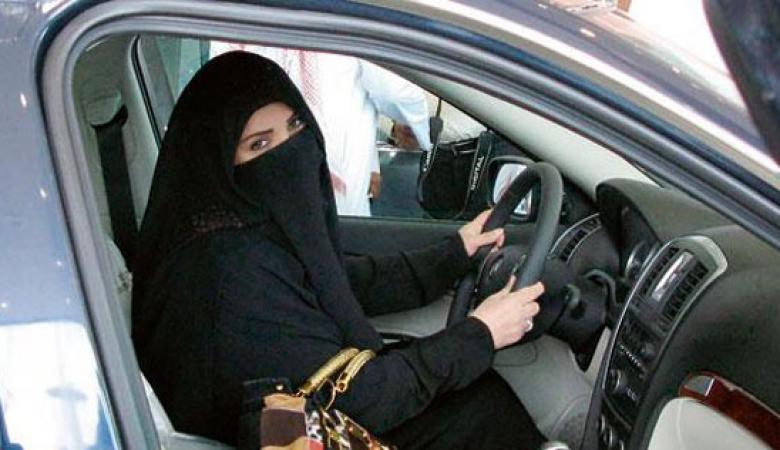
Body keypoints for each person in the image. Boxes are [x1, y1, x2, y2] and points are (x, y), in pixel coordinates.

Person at [132, 51, 546, 449]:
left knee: (478, 398)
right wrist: (479, 334)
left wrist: (455, 252)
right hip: (315, 425)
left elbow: (338, 282)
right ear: (216, 160)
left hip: (325, 408)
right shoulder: (227, 277)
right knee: (481, 415)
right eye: (259, 145)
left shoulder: (253, 236)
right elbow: (354, 402)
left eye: (296, 124)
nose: (291, 149)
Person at [211, 42, 431, 216]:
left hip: (257, 190)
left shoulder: (236, 19)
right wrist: (422, 134)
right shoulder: (341, 15)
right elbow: (398, 92)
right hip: (333, 193)